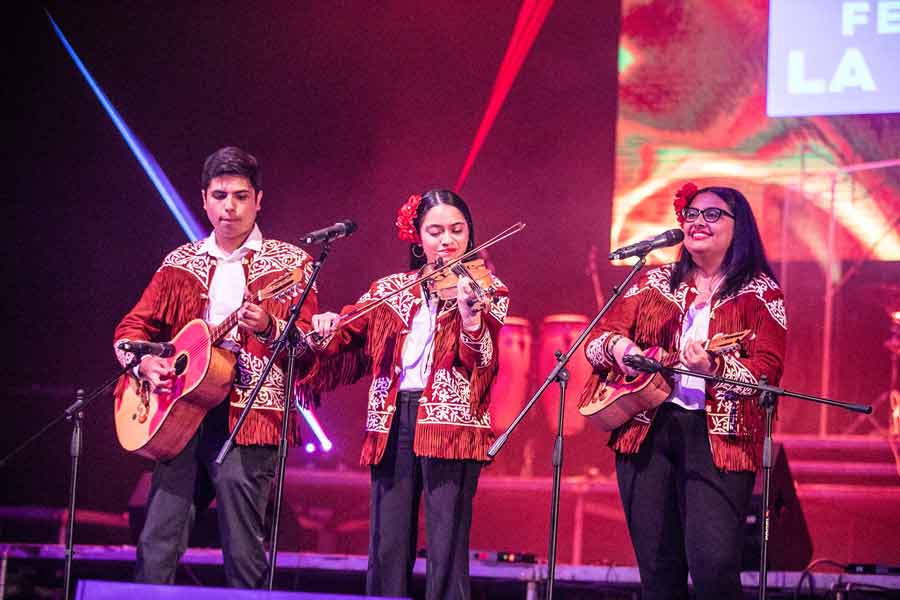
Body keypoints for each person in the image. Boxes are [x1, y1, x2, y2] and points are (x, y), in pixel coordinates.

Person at [113, 146, 317, 588]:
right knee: (157, 540)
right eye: (220, 196)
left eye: (241, 196)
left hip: (250, 417)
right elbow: (130, 329)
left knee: (244, 549)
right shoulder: (178, 264)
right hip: (180, 414)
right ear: (204, 199)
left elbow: (311, 349)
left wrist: (267, 326)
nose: (230, 207)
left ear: (259, 200)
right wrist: (145, 363)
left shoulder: (292, 263)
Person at [579, 184, 786, 600]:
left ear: (738, 227)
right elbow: (596, 341)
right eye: (691, 214)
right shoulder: (652, 282)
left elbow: (768, 370)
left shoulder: (761, 292)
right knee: (658, 569)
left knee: (714, 567)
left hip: (719, 439)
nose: (697, 222)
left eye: (712, 215)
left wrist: (716, 368)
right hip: (646, 430)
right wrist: (622, 349)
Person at [308, 189, 508, 600]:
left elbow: (481, 359)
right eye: (435, 231)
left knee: (447, 545)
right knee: (388, 543)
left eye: (457, 229)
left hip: (451, 426)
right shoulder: (390, 289)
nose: (447, 240)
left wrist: (471, 318)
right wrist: (326, 323)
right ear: (417, 237)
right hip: (393, 420)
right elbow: (342, 336)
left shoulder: (487, 289)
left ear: (471, 235)